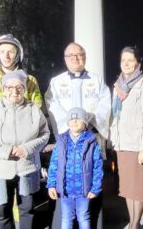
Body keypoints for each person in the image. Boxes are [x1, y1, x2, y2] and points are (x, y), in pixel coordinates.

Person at [46, 42, 111, 228]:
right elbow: (51, 103)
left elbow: (105, 104)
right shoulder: (57, 82)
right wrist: (68, 125)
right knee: (66, 196)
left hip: (90, 138)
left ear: (85, 56)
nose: (75, 58)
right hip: (68, 139)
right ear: (65, 59)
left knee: (91, 186)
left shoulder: (96, 80)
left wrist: (90, 122)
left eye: (79, 54)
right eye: (71, 55)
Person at [0, 70, 50, 229]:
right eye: (9, 87)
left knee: (27, 210)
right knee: (2, 212)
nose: (14, 91)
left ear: (24, 89)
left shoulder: (33, 110)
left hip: (26, 167)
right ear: (3, 89)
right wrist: (4, 151)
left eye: (19, 87)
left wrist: (27, 148)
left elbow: (45, 134)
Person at [109, 46, 143, 229]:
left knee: (137, 190)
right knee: (128, 188)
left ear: (138, 63)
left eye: (130, 60)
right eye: (123, 60)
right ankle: (137, 220)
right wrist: (114, 139)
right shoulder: (118, 85)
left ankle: (134, 225)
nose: (126, 64)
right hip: (122, 145)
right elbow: (115, 116)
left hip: (137, 146)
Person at [47, 107, 104, 229]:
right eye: (71, 119)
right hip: (65, 191)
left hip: (84, 191)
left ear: (85, 122)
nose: (74, 121)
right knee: (66, 218)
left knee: (84, 217)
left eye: (78, 118)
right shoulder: (61, 141)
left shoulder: (91, 141)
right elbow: (54, 164)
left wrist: (95, 188)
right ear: (67, 122)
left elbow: (97, 166)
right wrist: (51, 184)